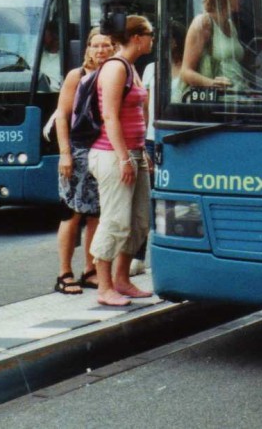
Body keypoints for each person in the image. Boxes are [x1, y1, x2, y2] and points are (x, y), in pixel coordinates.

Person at [88, 15, 154, 307]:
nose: (153, 39)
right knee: (114, 220)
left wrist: (141, 151)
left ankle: (123, 279)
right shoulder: (115, 68)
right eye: (150, 34)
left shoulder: (131, 68)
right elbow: (110, 116)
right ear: (137, 37)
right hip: (114, 154)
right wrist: (124, 156)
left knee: (140, 221)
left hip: (135, 153)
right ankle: (104, 286)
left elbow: (139, 111)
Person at [51, 28, 113, 295]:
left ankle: (90, 270)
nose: (100, 51)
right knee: (72, 213)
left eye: (106, 46)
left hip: (103, 150)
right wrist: (65, 153)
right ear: (87, 48)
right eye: (95, 45)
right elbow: (62, 116)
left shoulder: (114, 74)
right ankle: (64, 273)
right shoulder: (76, 76)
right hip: (77, 151)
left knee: (96, 214)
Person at [181, 0, 250, 92]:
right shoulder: (203, 23)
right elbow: (185, 72)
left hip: (235, 96)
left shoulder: (230, 25)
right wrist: (212, 83)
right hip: (214, 102)